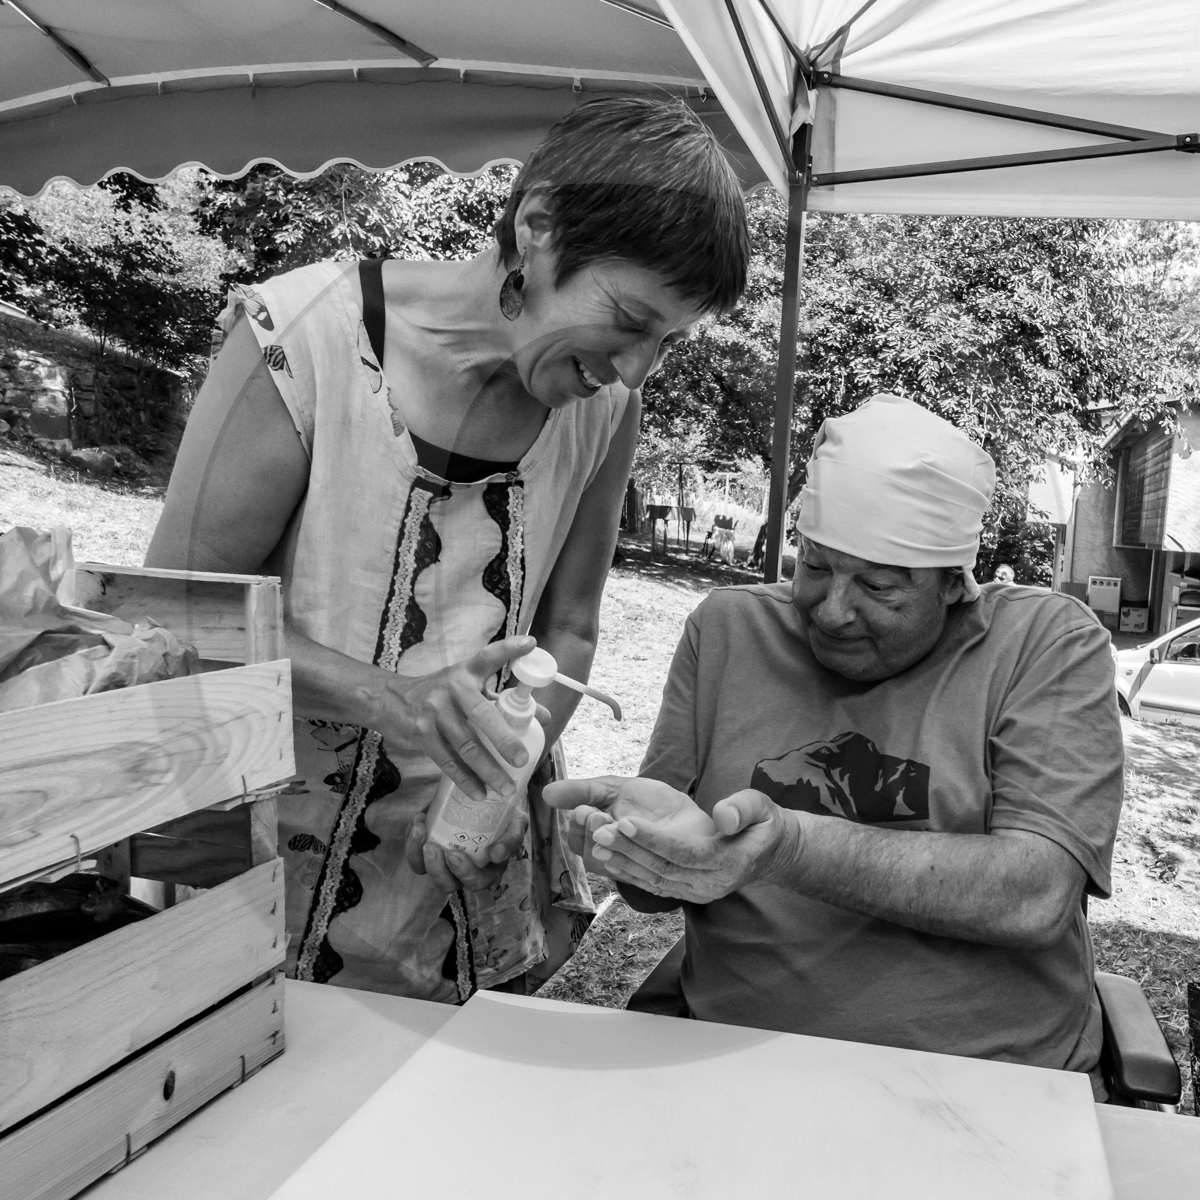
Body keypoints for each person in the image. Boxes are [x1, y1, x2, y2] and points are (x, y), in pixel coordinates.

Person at [146, 97, 750, 1001]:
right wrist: (395, 701)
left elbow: (572, 627)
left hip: (462, 879)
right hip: (267, 852)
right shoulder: (303, 340)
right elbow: (170, 619)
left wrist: (504, 775)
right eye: (629, 320)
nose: (634, 369)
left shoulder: (605, 413)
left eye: (666, 342)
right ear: (537, 226)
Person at [547, 394, 1124, 1094]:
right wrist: (639, 853)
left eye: (879, 586)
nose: (832, 608)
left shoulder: (1044, 644)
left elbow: (1034, 896)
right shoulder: (728, 630)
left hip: (988, 1086)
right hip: (734, 1070)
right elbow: (665, 880)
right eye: (815, 565)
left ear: (953, 584)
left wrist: (788, 847)